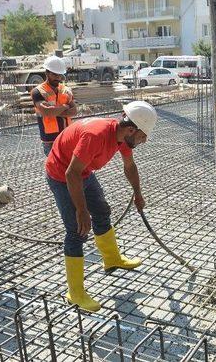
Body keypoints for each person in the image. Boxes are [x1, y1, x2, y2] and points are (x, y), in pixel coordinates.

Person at [45, 101, 157, 312]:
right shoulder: (95, 135)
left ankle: (112, 259)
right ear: (131, 129)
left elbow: (129, 166)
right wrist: (81, 210)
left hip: (83, 173)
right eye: (143, 136)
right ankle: (75, 293)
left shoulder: (123, 136)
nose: (144, 140)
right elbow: (71, 174)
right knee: (77, 230)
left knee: (102, 212)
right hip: (61, 175)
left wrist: (138, 194)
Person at [31, 56, 77, 155]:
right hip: (50, 139)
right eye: (54, 74)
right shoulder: (38, 91)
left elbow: (74, 111)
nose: (57, 77)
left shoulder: (66, 90)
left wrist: (54, 111)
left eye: (59, 75)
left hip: (67, 135)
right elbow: (47, 112)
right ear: (47, 72)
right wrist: (65, 106)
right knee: (55, 168)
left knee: (69, 167)